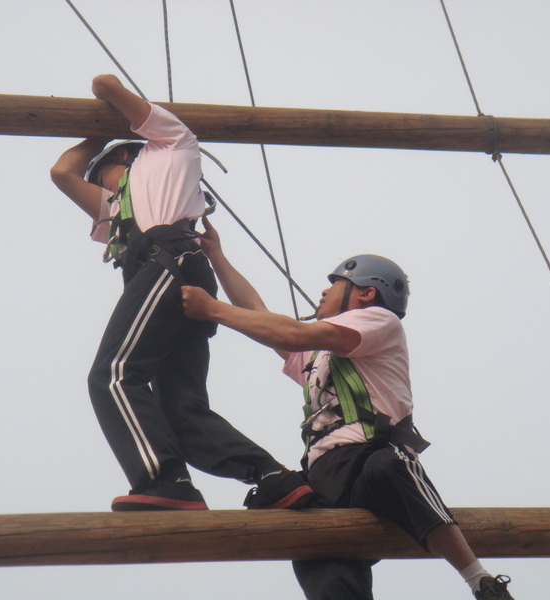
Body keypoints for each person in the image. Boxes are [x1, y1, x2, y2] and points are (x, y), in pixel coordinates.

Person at [180, 219, 516, 600]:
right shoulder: (319, 353)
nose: (324, 290)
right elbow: (257, 311)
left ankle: (479, 579)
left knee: (388, 466)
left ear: (366, 293)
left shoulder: (379, 322)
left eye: (336, 283)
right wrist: (217, 257)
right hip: (323, 475)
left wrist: (212, 310)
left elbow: (291, 332)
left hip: (369, 458)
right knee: (323, 569)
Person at [49, 74, 312, 512]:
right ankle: (273, 478)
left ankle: (165, 480)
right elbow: (62, 172)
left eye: (104, 174)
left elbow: (105, 84)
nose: (102, 186)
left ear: (129, 154)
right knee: (182, 411)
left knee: (113, 374)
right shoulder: (118, 210)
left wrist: (109, 127)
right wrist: (97, 139)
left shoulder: (173, 145)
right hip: (174, 273)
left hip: (168, 262)